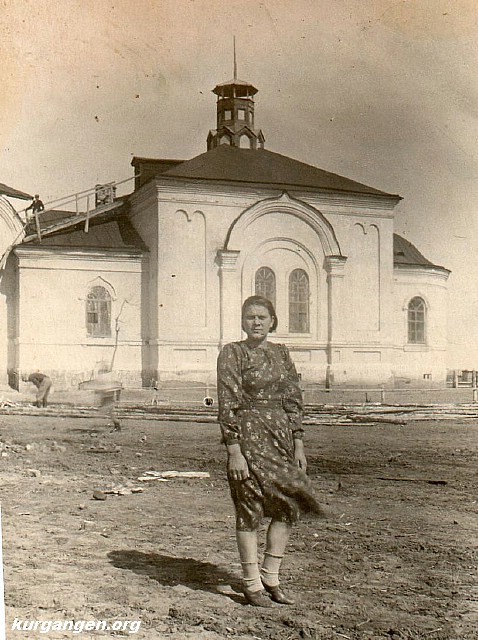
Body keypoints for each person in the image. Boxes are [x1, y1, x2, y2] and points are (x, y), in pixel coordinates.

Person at [217, 295, 324, 608]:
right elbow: (228, 402)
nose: (256, 322)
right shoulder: (232, 353)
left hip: (280, 439)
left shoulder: (281, 353)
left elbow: (293, 398)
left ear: (272, 321)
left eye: (262, 317)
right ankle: (251, 585)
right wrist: (234, 451)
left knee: (287, 506)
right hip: (248, 438)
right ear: (242, 320)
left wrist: (299, 442)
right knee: (249, 507)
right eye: (250, 317)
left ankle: (270, 577)